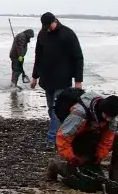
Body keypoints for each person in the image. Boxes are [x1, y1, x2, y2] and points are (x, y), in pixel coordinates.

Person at [46, 91, 118, 194]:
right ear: (101, 109)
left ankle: (116, 179)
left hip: (94, 138)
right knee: (86, 183)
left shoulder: (110, 113)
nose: (109, 119)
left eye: (111, 117)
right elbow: (63, 137)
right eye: (107, 116)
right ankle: (56, 166)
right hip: (78, 141)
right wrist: (71, 157)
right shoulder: (79, 113)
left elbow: (108, 138)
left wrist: (99, 155)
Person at [30, 12, 85, 144]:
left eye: (49, 26)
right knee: (51, 109)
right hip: (46, 79)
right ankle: (62, 131)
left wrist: (78, 80)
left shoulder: (68, 34)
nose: (47, 29)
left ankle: (53, 137)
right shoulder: (43, 34)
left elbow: (78, 57)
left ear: (55, 21)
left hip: (62, 79)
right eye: (45, 27)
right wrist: (34, 76)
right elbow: (38, 56)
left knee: (57, 109)